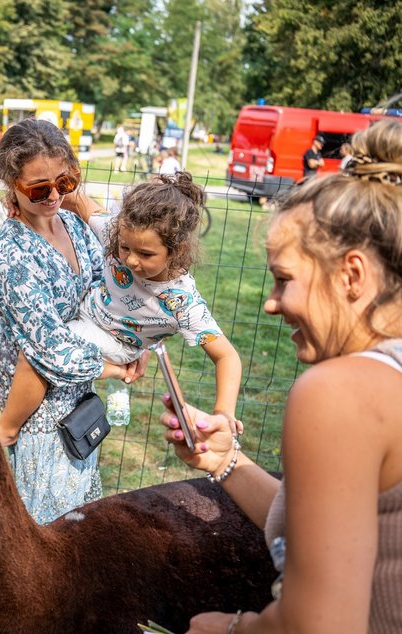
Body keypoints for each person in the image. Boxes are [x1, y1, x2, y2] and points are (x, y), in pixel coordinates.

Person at [160, 118, 402, 633]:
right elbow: (338, 529)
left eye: (284, 280)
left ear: (352, 274)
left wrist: (227, 629)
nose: (271, 304)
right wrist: (226, 461)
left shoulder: (340, 394)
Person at [0, 172, 242, 447]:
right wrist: (18, 198)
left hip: (115, 339)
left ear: (178, 250)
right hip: (88, 311)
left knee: (39, 352)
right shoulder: (120, 229)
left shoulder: (181, 302)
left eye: (146, 254)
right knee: (28, 333)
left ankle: (6, 428)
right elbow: (78, 202)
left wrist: (224, 412)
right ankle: (15, 379)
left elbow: (227, 357)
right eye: (125, 247)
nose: (132, 260)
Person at [0, 119, 146, 524]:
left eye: (66, 181)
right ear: (12, 185)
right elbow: (48, 348)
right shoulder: (12, 254)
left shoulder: (74, 225)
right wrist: (112, 367)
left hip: (77, 403)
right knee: (45, 531)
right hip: (38, 414)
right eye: (39, 188)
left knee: (78, 525)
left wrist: (135, 346)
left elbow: (105, 295)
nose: (54, 195)